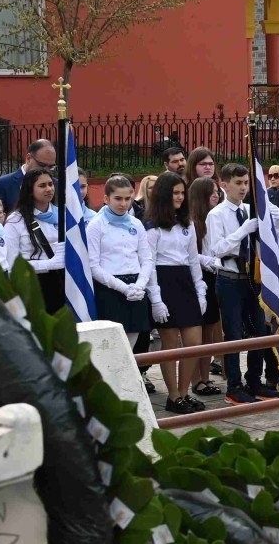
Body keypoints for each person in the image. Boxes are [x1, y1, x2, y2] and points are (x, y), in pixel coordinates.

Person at [205, 162, 279, 404]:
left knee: (259, 331)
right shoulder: (216, 214)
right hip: (229, 279)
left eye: (246, 183)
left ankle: (254, 381)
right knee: (234, 335)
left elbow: (278, 219)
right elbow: (217, 248)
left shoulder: (251, 209)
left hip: (252, 278)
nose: (243, 188)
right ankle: (233, 386)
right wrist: (242, 232)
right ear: (223, 185)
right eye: (238, 183)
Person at [143, 172, 209, 413]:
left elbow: (193, 260)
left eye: (182, 193)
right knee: (170, 343)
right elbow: (148, 264)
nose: (180, 197)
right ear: (163, 195)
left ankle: (184, 392)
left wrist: (200, 289)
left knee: (194, 342)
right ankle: (173, 396)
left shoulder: (187, 224)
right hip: (164, 281)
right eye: (175, 193)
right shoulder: (151, 227)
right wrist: (156, 298)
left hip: (185, 282)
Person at [86, 174, 154, 354]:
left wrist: (140, 285)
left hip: (136, 287)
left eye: (127, 199)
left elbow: (146, 258)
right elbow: (93, 266)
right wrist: (123, 288)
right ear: (106, 198)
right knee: (112, 345)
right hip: (110, 288)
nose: (123, 204)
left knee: (131, 344)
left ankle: (126, 380)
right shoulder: (96, 225)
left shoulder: (136, 223)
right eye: (118, 198)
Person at [186, 178, 228, 397]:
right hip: (197, 278)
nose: (217, 195)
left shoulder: (216, 217)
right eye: (212, 192)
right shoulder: (191, 220)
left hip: (214, 278)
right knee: (197, 334)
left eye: (217, 192)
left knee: (211, 332)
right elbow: (189, 253)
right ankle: (195, 380)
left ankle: (205, 377)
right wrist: (207, 261)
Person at [6, 168, 69, 313]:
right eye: (42, 186)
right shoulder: (16, 220)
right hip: (35, 282)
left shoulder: (63, 215)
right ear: (29, 190)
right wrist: (49, 264)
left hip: (62, 281)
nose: (48, 189)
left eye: (50, 184)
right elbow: (13, 264)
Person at [0, 138, 56, 213]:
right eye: (42, 165)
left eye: (51, 166)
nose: (46, 170)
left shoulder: (56, 184)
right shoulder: (2, 184)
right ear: (28, 158)